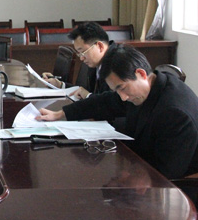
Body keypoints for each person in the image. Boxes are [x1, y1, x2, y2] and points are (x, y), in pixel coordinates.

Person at [37, 44, 198, 179]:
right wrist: (60, 114)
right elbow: (105, 102)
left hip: (173, 188)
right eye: (117, 90)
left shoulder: (175, 114)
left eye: (122, 88)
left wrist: (127, 176)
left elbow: (165, 174)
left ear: (140, 73)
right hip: (140, 168)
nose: (122, 97)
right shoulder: (147, 86)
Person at [41, 22, 115, 99]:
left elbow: (112, 102)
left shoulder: (116, 64)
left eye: (83, 52)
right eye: (79, 53)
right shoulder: (97, 61)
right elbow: (84, 91)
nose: (81, 58)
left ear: (100, 46)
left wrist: (88, 96)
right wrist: (60, 85)